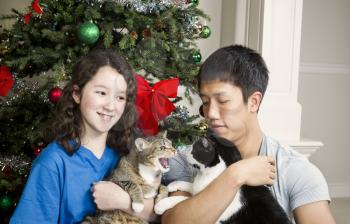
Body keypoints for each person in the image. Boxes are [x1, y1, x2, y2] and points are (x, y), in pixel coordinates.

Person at [161, 45, 336, 224]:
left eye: (223, 101)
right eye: (205, 102)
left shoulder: (295, 170)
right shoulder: (187, 158)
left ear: (253, 102)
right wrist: (235, 175)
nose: (211, 113)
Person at [10, 49, 157, 223]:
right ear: (77, 94)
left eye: (120, 97)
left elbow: (158, 215)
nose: (111, 106)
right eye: (101, 93)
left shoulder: (126, 153)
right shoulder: (53, 163)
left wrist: (123, 201)